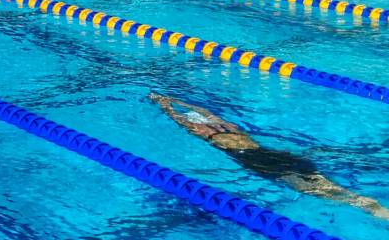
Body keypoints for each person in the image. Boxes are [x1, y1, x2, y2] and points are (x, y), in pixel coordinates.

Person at [151, 93, 389, 220]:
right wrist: (174, 99)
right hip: (274, 154)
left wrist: (164, 105)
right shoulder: (228, 126)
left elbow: (180, 119)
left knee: (312, 189)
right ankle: (366, 203)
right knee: (321, 182)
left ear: (197, 126)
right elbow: (205, 112)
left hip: (257, 161)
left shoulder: (201, 133)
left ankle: (366, 206)